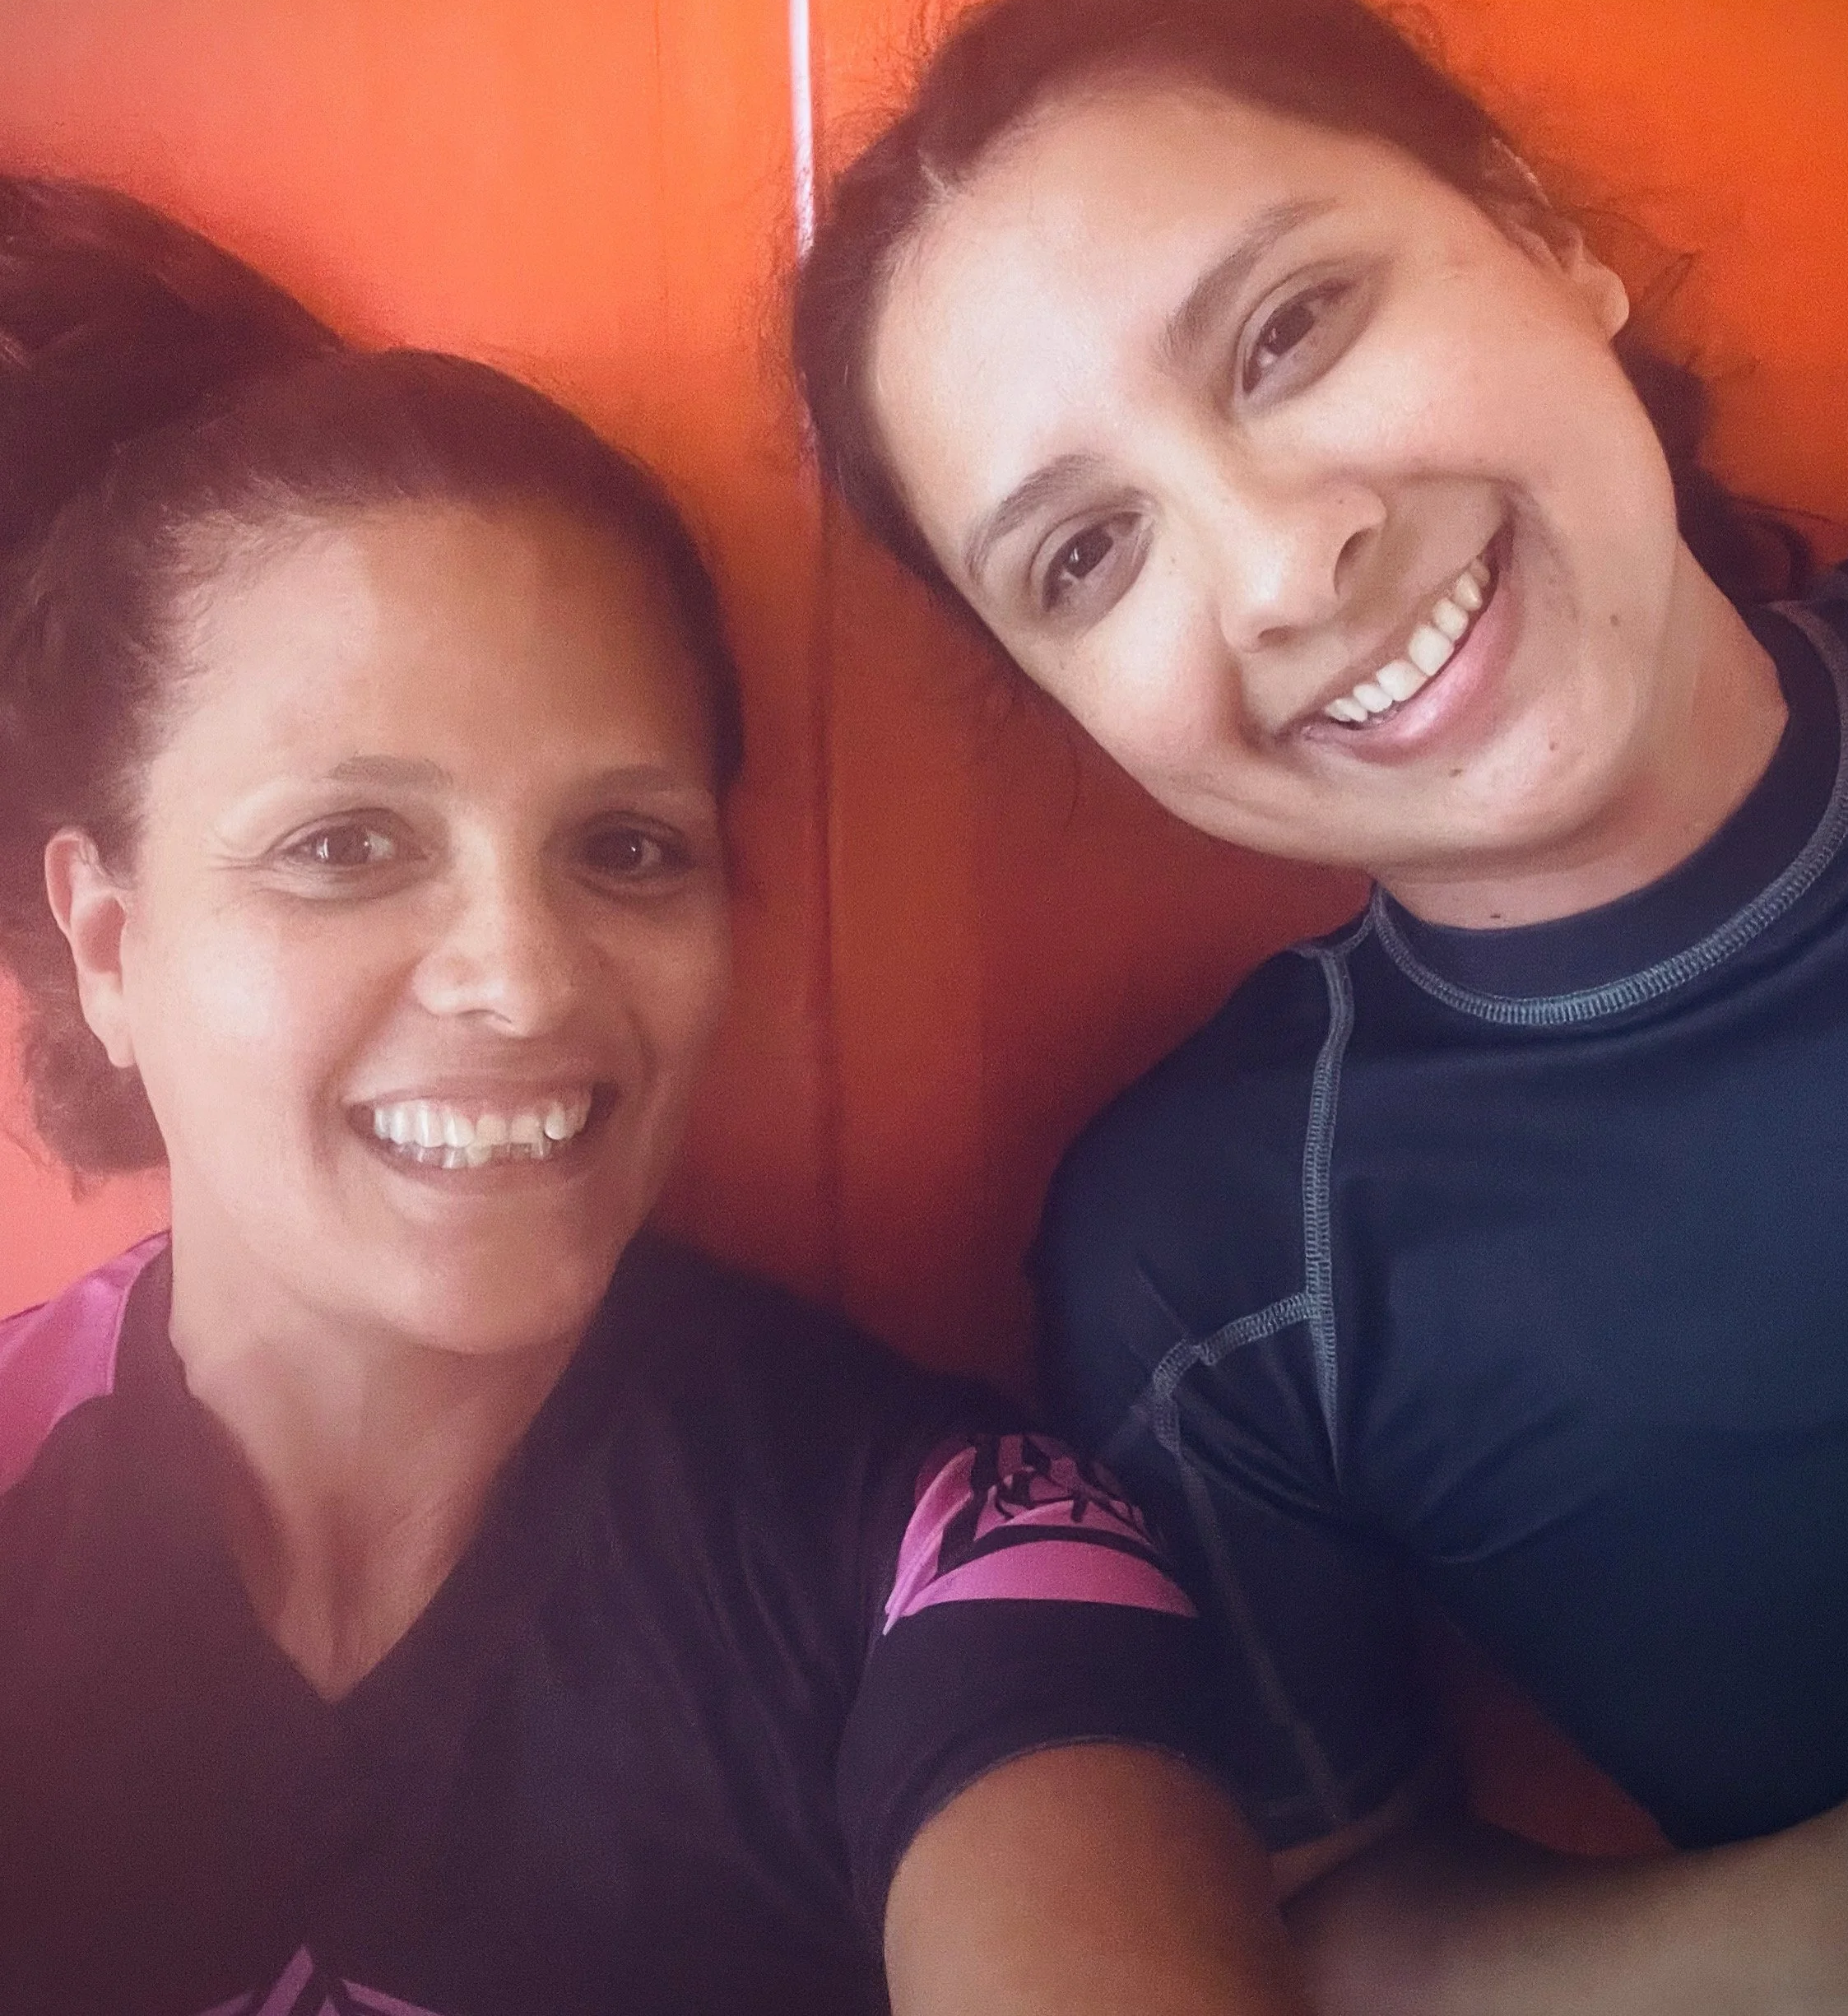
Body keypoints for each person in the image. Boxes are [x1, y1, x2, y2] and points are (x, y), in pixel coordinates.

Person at [0, 174, 1302, 2016]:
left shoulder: (950, 1550)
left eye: (625, 847)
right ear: (110, 943)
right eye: (347, 844)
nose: (526, 977)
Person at [791, 0, 1848, 2012]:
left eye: (1288, 330)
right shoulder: (1216, 1263)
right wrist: (1845, 1921)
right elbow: (1339, 1915)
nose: (1286, 562)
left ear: (1540, 234)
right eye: (1088, 552)